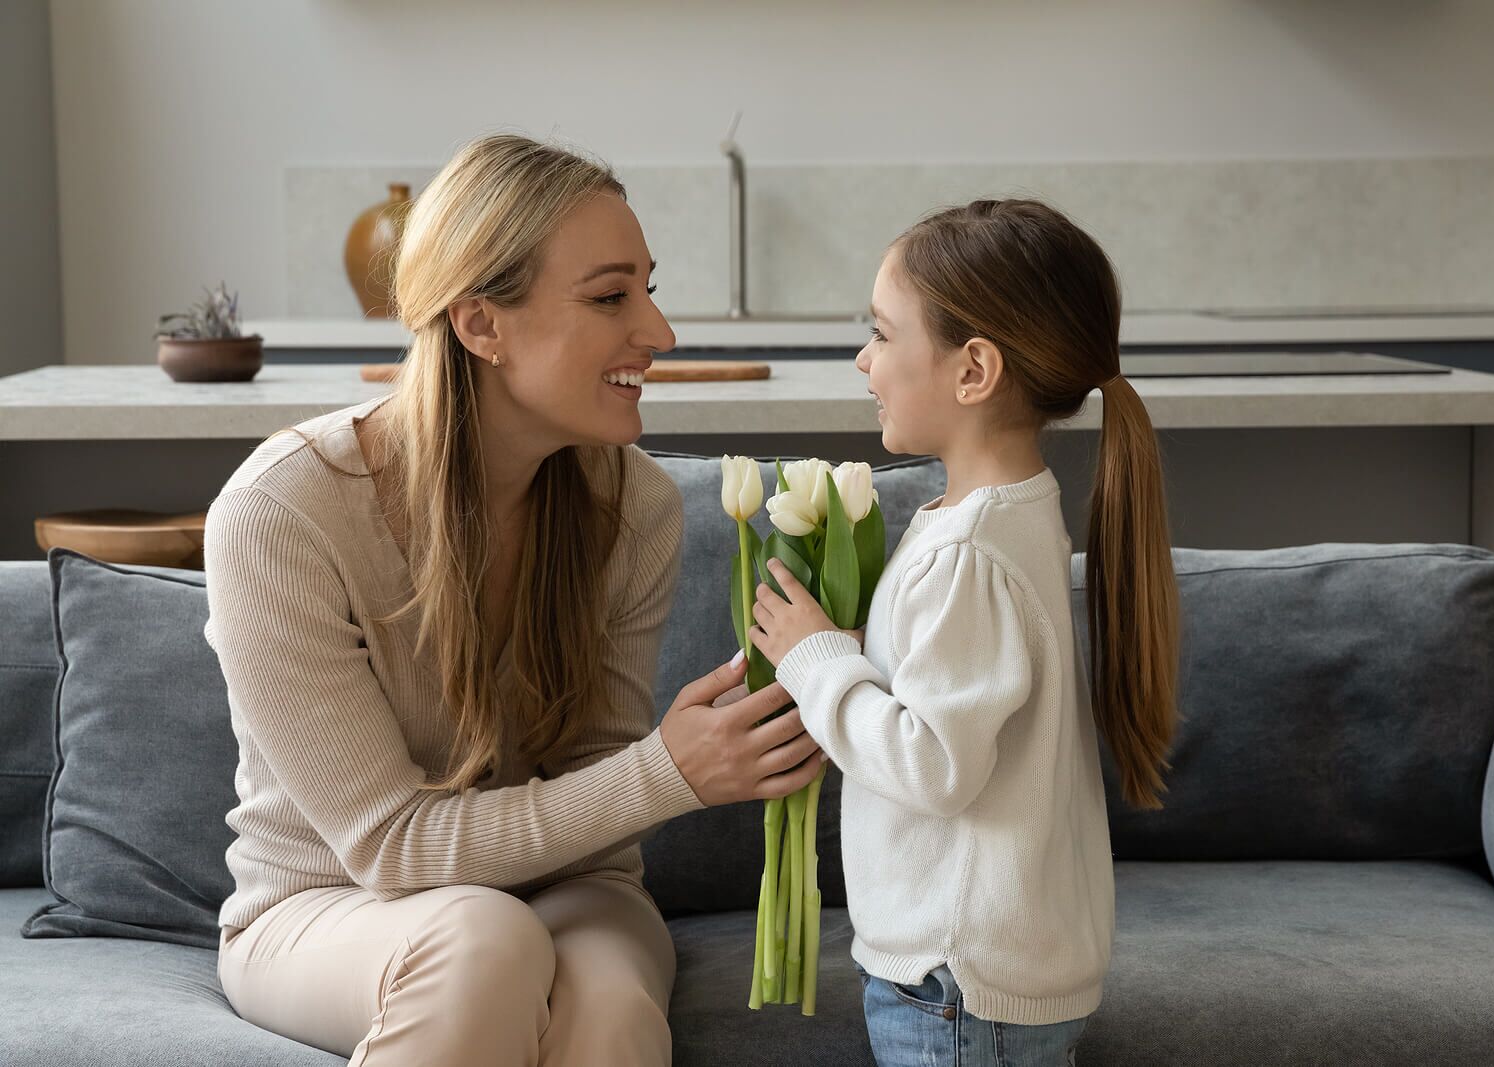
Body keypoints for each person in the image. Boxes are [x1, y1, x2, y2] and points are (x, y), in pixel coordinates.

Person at [203, 134, 824, 1066]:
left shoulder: (633, 505)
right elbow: (389, 848)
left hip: (569, 886)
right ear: (480, 324)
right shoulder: (283, 514)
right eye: (611, 296)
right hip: (324, 905)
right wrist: (671, 771)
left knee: (607, 1004)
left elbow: (593, 801)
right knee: (482, 942)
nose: (658, 332)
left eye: (648, 288)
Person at [748, 199, 1181, 1066]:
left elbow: (934, 762)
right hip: (979, 980)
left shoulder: (970, 553)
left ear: (973, 369)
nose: (863, 360)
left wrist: (815, 662)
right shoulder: (995, 519)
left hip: (956, 986)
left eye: (880, 333)